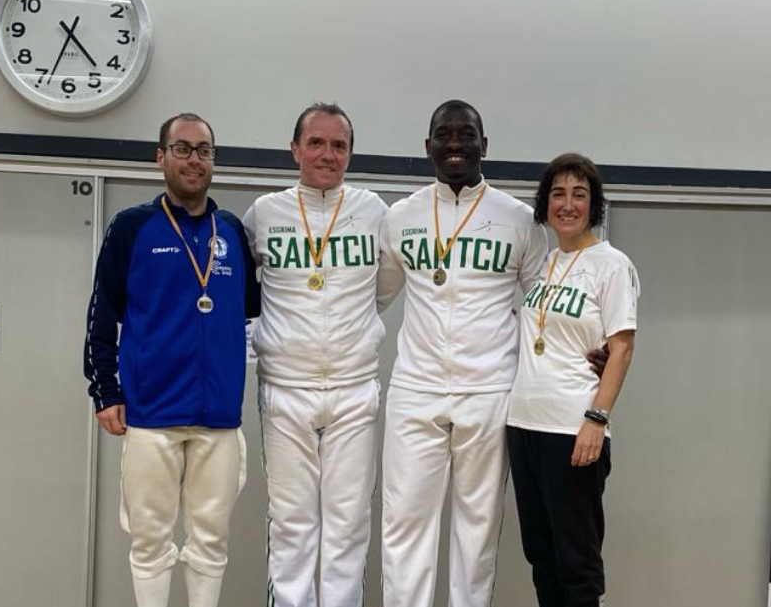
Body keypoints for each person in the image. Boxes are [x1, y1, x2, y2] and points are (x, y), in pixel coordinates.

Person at [377, 99, 549, 607]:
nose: (455, 143)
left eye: (466, 134)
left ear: (484, 146)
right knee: (404, 525)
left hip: (490, 389)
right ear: (427, 146)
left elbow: (544, 306)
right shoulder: (400, 216)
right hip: (416, 389)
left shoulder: (520, 220)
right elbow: (376, 295)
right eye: (444, 134)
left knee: (478, 531)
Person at [83, 113, 260, 607]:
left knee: (211, 541)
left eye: (204, 150)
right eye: (182, 149)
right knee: (149, 540)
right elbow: (102, 312)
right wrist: (105, 390)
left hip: (219, 418)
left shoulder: (231, 232)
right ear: (160, 157)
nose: (194, 160)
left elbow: (252, 309)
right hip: (151, 414)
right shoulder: (133, 227)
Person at [242, 103, 387, 607]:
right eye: (317, 143)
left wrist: (354, 332)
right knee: (292, 524)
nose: (328, 154)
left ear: (350, 153)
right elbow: (245, 291)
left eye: (339, 145)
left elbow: (383, 288)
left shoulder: (375, 211)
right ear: (295, 149)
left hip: (353, 390)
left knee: (349, 524)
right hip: (286, 391)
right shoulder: (264, 214)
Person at [505, 153, 638, 607]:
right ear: (544, 203)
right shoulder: (544, 263)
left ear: (593, 204)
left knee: (577, 565)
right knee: (542, 559)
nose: (568, 204)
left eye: (579, 194)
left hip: (572, 430)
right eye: (558, 193)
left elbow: (621, 347)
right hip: (523, 424)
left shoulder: (611, 264)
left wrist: (596, 420)